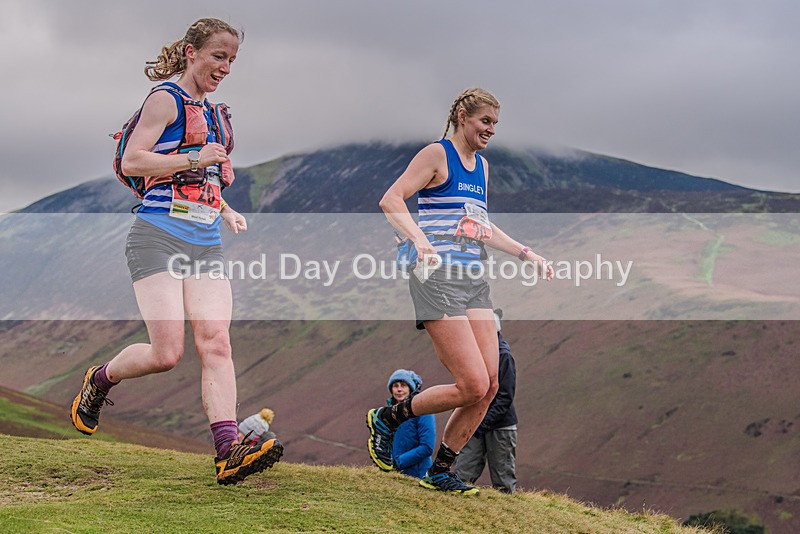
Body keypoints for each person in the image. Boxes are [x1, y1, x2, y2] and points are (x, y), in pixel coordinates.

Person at [69, 18, 283, 485]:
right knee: (167, 353)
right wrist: (195, 158)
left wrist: (226, 209)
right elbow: (134, 161)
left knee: (217, 341)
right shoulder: (165, 98)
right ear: (191, 52)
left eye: (231, 60)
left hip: (204, 240)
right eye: (218, 56)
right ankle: (101, 378)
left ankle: (228, 449)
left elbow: (202, 177)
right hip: (157, 235)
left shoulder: (215, 112)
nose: (225, 67)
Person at [367, 87, 553, 495]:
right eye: (485, 121)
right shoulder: (437, 155)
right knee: (470, 383)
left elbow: (480, 227)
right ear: (463, 116)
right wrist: (420, 241)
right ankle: (389, 417)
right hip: (435, 279)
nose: (491, 130)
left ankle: (442, 469)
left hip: (474, 281)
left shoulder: (481, 168)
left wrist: (526, 252)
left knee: (489, 385)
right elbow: (391, 200)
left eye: (495, 125)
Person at [454, 309, 517, 493]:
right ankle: (457, 510)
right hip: (474, 422)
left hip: (499, 426)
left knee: (503, 480)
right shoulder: (472, 354)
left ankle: (508, 517)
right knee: (463, 473)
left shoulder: (503, 356)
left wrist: (482, 422)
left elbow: (505, 398)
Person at [381, 369, 436, 479]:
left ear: (410, 388)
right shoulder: (388, 413)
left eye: (403, 385)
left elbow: (427, 447)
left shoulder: (423, 411)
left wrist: (399, 462)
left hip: (418, 475)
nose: (399, 389)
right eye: (395, 386)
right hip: (394, 475)